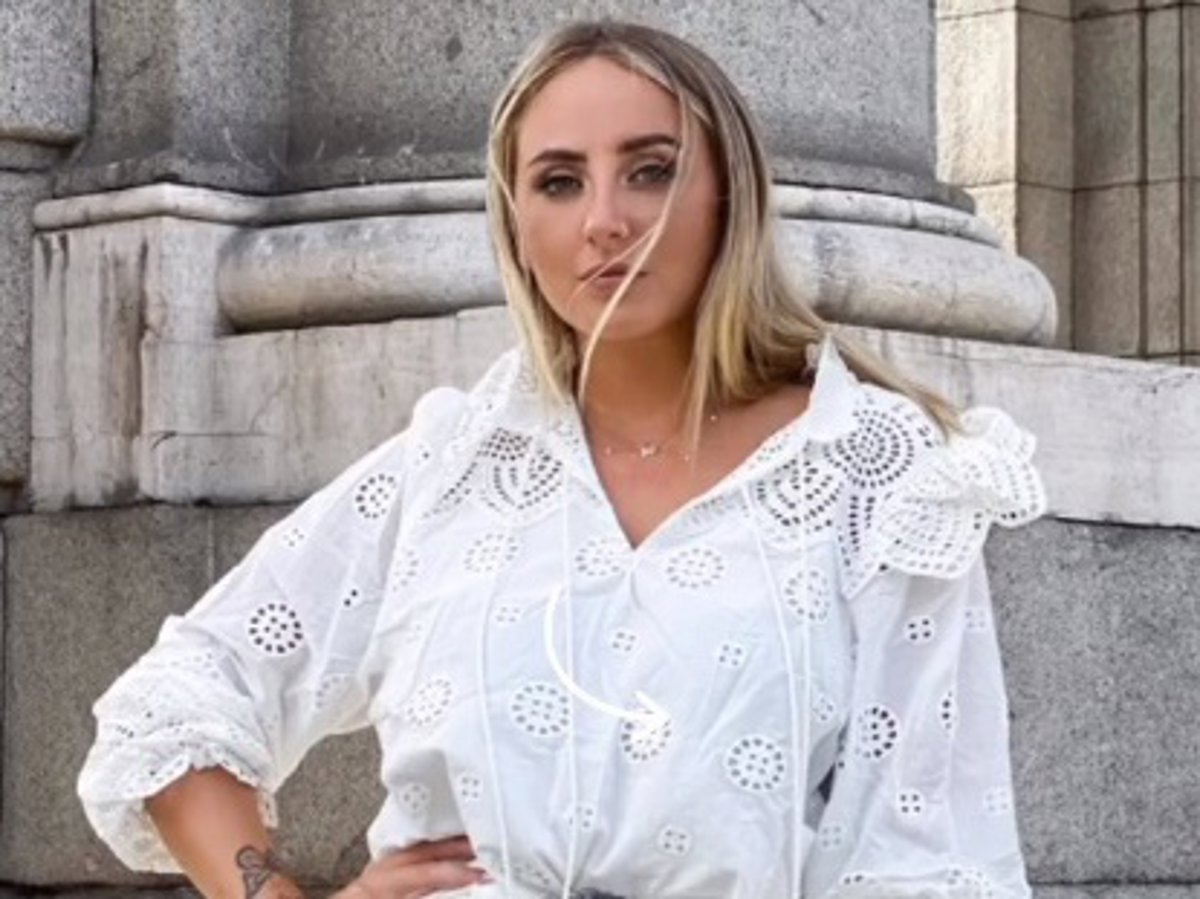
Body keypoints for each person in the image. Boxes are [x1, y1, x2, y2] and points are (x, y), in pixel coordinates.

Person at [77, 19, 1047, 899]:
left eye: (651, 170)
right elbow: (176, 700)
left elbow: (931, 860)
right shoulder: (451, 466)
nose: (605, 220)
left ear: (730, 195)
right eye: (558, 181)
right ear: (515, 221)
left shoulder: (881, 475)